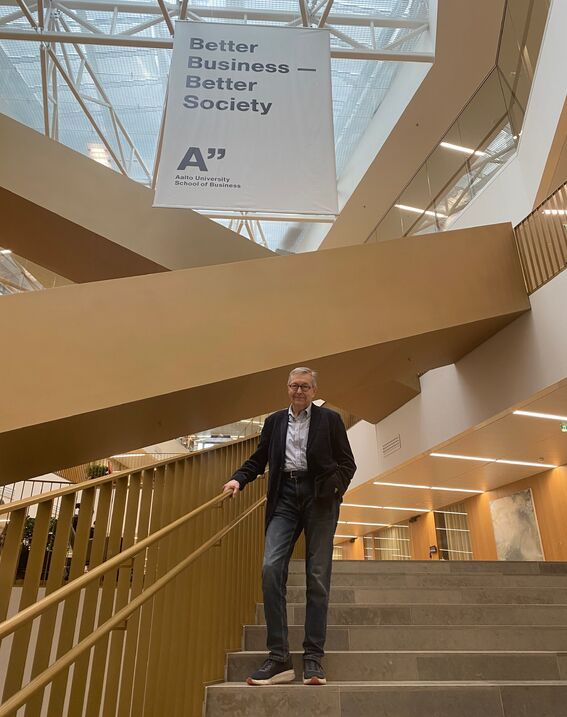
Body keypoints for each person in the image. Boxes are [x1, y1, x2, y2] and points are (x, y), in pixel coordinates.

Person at [223, 367, 356, 686]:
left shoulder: (331, 420)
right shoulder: (274, 422)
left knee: (317, 576)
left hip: (320, 498)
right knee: (271, 568)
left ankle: (313, 658)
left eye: (305, 386)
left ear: (314, 390)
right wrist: (237, 479)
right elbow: (259, 459)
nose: (299, 391)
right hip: (284, 497)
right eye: (294, 386)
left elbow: (347, 463)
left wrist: (334, 489)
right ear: (287, 389)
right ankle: (279, 657)